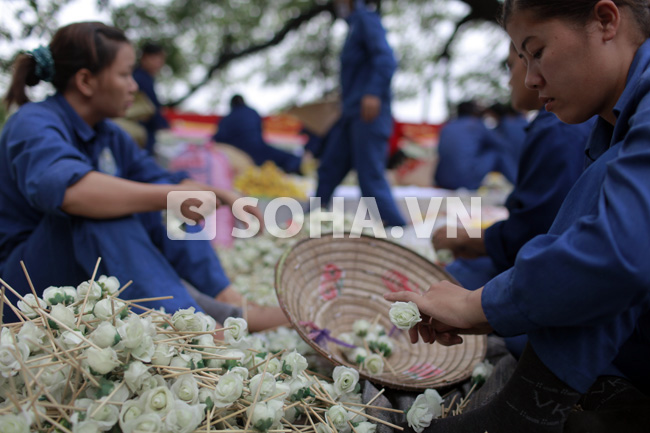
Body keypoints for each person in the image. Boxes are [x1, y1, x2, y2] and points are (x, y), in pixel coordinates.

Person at [387, 1, 650, 432]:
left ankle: (524, 413)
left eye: (536, 51)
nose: (529, 78)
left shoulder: (577, 134)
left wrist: (479, 303)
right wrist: (485, 310)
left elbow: (616, 254)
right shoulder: (611, 127)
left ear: (605, 21)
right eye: (521, 60)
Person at [0, 22, 287, 332]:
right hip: (25, 287)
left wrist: (223, 195)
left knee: (162, 203)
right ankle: (193, 330)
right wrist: (167, 196)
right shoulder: (32, 123)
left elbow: (163, 183)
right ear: (85, 81)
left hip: (83, 277)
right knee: (102, 210)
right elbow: (73, 193)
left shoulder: (110, 135)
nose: (134, 86)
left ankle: (231, 304)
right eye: (124, 75)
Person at [433, 44, 592, 330]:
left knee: (440, 282)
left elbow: (536, 235)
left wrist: (475, 242)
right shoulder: (560, 124)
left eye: (512, 64)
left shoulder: (559, 127)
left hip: (551, 286)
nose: (525, 78)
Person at [315, 0, 406, 227]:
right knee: (329, 168)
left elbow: (385, 59)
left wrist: (373, 92)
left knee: (370, 179)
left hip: (368, 115)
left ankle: (399, 232)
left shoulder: (366, 19)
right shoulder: (353, 25)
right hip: (350, 115)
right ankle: (311, 220)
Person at [434, 101, 516, 190]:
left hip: (442, 180)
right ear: (474, 112)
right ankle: (518, 184)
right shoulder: (476, 125)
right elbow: (502, 144)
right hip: (464, 181)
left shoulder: (448, 126)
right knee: (498, 153)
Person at [213, 95, 303, 174]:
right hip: (258, 147)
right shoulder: (253, 112)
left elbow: (218, 138)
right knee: (282, 157)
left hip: (240, 151)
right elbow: (260, 131)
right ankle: (293, 166)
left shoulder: (228, 118)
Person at [132, 42, 169, 155]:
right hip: (140, 131)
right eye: (156, 59)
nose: (160, 64)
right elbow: (151, 108)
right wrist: (165, 126)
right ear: (145, 58)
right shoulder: (140, 78)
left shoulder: (146, 78)